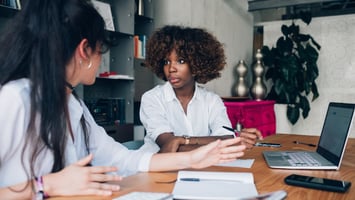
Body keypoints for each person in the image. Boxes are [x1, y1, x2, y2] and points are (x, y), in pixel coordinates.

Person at [0, 1, 247, 199]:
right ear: (84, 51)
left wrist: (194, 158)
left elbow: (123, 159)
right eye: (100, 52)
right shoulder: (15, 99)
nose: (100, 62)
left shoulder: (75, 106)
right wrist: (46, 185)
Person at [140, 25, 263, 153]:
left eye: (180, 61)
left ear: (196, 64)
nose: (171, 69)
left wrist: (184, 140)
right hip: (159, 169)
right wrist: (222, 143)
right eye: (166, 62)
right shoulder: (152, 98)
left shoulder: (212, 100)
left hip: (202, 169)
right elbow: (170, 146)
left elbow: (226, 137)